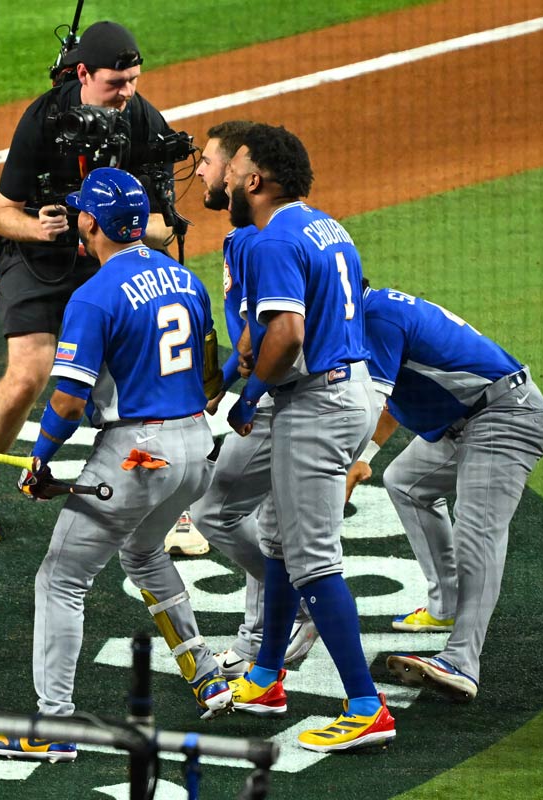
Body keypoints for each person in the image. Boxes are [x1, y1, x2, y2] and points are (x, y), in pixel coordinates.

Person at [0, 169, 231, 764]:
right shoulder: (184, 278)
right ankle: (205, 672)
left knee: (61, 578)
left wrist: (40, 458)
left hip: (138, 454)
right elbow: (210, 376)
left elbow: (68, 401)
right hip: (197, 448)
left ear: (89, 223)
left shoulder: (94, 295)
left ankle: (54, 724)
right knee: (143, 552)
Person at [0, 20, 180, 546]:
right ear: (83, 74)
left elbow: (166, 228)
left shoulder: (144, 120)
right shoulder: (44, 118)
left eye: (133, 80)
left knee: (140, 373)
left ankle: (167, 502)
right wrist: (41, 229)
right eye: (116, 83)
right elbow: (0, 213)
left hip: (109, 256)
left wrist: (119, 227)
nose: (127, 93)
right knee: (28, 373)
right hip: (36, 257)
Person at [222, 124, 396, 753]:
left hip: (317, 404)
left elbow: (288, 333)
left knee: (313, 560)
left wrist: (248, 397)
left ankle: (366, 706)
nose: (226, 178)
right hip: (344, 389)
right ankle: (266, 676)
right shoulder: (325, 225)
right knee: (277, 541)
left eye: (233, 169)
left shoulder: (274, 238)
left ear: (255, 180)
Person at [344, 283, 543, 702]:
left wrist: (343, 469)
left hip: (505, 417)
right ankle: (446, 606)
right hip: (469, 420)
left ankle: (462, 662)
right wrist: (364, 457)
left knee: (478, 533)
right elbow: (391, 401)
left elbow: (369, 403)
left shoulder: (377, 318)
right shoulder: (373, 313)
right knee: (406, 482)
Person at [187, 121, 319, 677]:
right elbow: (249, 337)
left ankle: (300, 603)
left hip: (296, 391)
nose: (204, 173)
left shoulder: (257, 239)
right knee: (260, 519)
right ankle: (260, 637)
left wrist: (247, 393)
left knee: (217, 509)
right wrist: (223, 379)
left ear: (244, 175)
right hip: (298, 387)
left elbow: (273, 334)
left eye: (212, 163)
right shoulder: (257, 234)